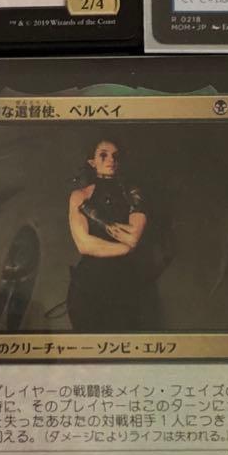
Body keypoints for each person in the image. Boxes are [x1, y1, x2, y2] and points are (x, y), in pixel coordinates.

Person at [66, 136, 157, 332]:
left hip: (124, 283)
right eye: (103, 155)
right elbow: (84, 245)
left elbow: (133, 237)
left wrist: (96, 217)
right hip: (87, 285)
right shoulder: (79, 196)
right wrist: (125, 248)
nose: (111, 160)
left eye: (115, 156)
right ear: (92, 162)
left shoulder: (133, 193)